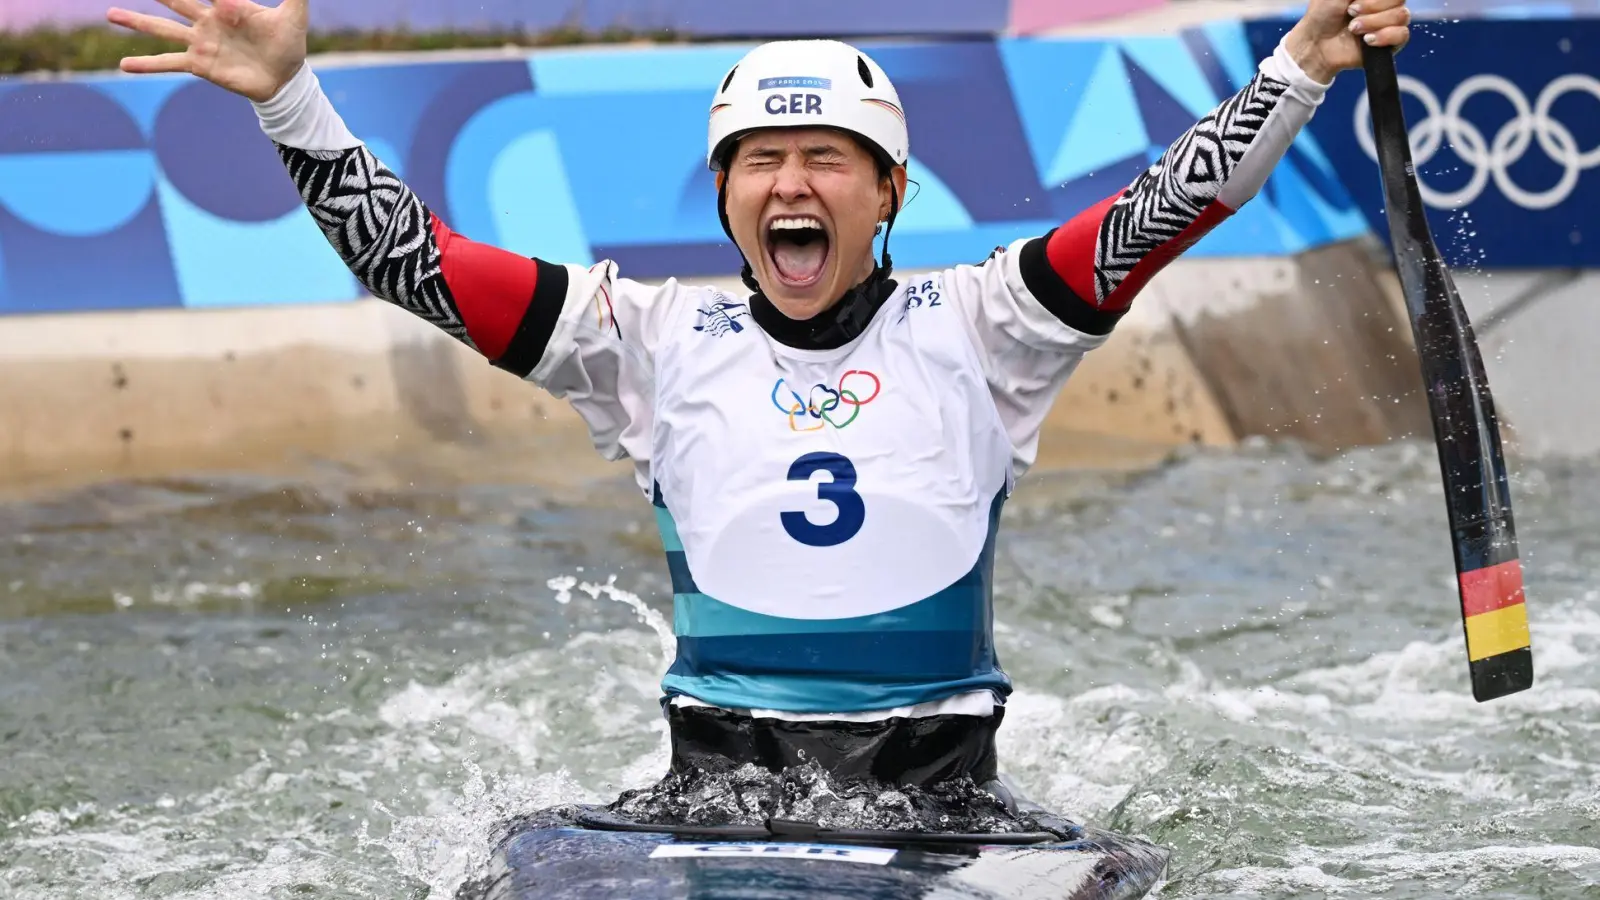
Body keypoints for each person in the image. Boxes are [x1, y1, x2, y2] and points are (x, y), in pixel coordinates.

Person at [108, 0, 1411, 794]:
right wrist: (290, 97)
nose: (792, 186)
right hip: (713, 789)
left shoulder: (991, 323)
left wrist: (1300, 61)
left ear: (889, 190)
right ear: (727, 197)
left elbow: (1170, 204)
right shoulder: (641, 337)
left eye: (828, 160)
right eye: (762, 162)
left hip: (942, 796)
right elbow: (414, 264)